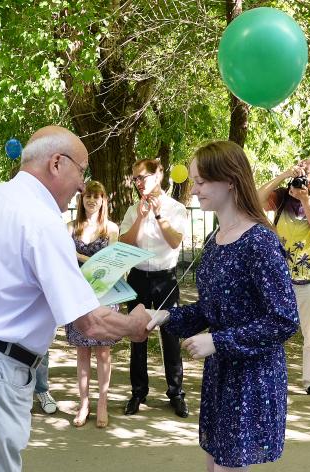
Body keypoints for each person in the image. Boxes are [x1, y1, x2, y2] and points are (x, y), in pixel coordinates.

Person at [0, 125, 151, 472]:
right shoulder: (43, 220)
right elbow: (90, 322)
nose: (82, 186)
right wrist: (134, 325)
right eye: (82, 171)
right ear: (56, 163)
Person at [147, 141, 299, 471]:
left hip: (251, 376)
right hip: (222, 373)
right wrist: (163, 316)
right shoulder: (215, 239)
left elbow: (284, 319)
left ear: (229, 180)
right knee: (215, 464)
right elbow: (210, 309)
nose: (194, 189)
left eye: (201, 181)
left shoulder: (259, 240)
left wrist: (218, 341)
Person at [257, 159, 310, 400]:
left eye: (309, 168)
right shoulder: (282, 195)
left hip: (309, 278)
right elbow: (256, 199)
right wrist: (283, 175)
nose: (303, 168)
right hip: (278, 277)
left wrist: (305, 200)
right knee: (269, 329)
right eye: (301, 165)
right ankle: (267, 377)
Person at [118, 158, 189, 418]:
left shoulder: (176, 208)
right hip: (138, 277)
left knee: (170, 335)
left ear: (158, 175)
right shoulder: (132, 209)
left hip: (165, 278)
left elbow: (174, 242)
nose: (138, 182)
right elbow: (125, 243)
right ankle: (138, 392)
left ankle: (176, 393)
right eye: (135, 178)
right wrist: (140, 217)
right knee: (138, 335)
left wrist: (158, 215)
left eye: (142, 177)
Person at [65, 181, 120, 428]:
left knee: (104, 352)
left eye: (97, 195)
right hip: (77, 296)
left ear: (103, 200)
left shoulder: (111, 229)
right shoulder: (70, 228)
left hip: (103, 296)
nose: (92, 199)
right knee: (82, 352)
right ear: (82, 199)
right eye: (88, 195)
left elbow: (111, 264)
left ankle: (103, 404)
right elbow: (63, 259)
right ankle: (84, 403)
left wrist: (78, 256)